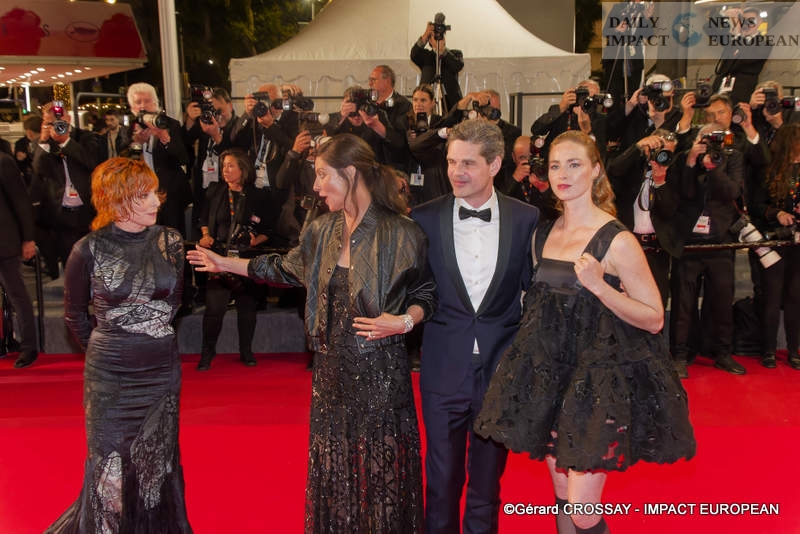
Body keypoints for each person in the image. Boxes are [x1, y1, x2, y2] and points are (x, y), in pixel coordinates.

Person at [187, 133, 435, 532]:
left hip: (381, 373)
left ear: (350, 173)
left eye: (322, 175)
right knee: (335, 470)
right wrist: (225, 262)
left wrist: (405, 321)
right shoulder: (321, 230)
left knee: (382, 474)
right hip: (330, 372)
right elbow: (284, 268)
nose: (316, 187)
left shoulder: (402, 231)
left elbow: (426, 293)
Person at [475, 130, 696, 534]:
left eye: (574, 164)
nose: (563, 174)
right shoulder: (542, 233)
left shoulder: (617, 239)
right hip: (552, 376)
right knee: (562, 493)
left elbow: (653, 318)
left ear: (595, 170)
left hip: (598, 381)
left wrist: (599, 286)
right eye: (556, 165)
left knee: (581, 506)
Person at [47, 158, 191, 533]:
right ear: (118, 199)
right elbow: (74, 316)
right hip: (109, 377)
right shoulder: (88, 249)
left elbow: (176, 302)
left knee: (157, 462)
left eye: (154, 192)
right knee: (109, 467)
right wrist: (112, 344)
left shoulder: (171, 241)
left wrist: (146, 333)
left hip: (160, 372)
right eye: (142, 195)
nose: (155, 201)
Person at [411, 119, 539, 533]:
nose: (456, 172)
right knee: (441, 484)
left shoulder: (527, 218)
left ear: (495, 164)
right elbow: (416, 290)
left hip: (501, 375)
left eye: (468, 163)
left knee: (486, 489)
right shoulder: (423, 218)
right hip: (443, 370)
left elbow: (533, 293)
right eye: (451, 162)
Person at [196, 149, 273, 370]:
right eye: (224, 166)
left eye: (230, 165)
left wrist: (254, 242)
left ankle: (246, 352)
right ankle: (207, 353)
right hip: (218, 257)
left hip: (245, 259)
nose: (225, 170)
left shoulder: (257, 195)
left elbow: (268, 229)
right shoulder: (214, 191)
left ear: (243, 169)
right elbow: (202, 218)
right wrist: (205, 235)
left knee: (247, 308)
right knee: (214, 309)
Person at [751, 122, 800, 369]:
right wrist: (777, 213)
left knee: (794, 297)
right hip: (774, 241)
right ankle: (768, 350)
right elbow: (756, 206)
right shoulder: (770, 172)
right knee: (771, 296)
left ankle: (793, 350)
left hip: (798, 244)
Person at [0, 150, 38, 368]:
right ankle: (8, 341)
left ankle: (29, 347)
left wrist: (28, 239)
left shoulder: (4, 162)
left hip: (5, 242)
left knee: (18, 296)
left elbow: (21, 201)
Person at [411, 20, 464, 114]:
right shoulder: (426, 56)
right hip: (426, 101)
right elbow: (414, 55)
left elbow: (457, 66)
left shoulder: (455, 54)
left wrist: (441, 50)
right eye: (434, 36)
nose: (437, 39)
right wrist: (425, 35)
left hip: (449, 102)